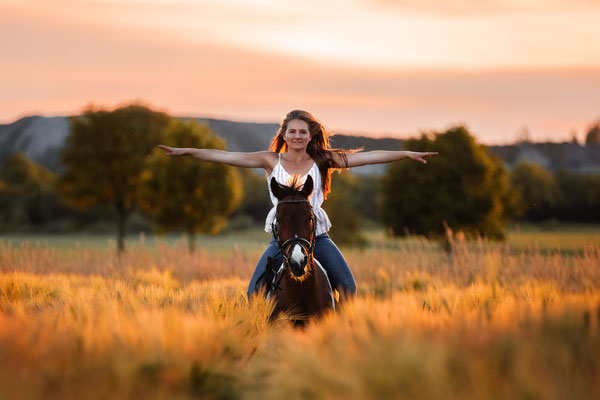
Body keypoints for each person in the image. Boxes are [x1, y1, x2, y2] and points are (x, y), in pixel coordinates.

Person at [158, 110, 437, 299]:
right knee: (254, 293)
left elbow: (369, 157)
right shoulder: (270, 160)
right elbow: (226, 156)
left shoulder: (323, 159)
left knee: (349, 289)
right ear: (284, 134)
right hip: (281, 240)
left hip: (317, 237)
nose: (297, 137)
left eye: (303, 132)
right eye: (292, 131)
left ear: (311, 136)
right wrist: (187, 152)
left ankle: (343, 338)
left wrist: (407, 153)